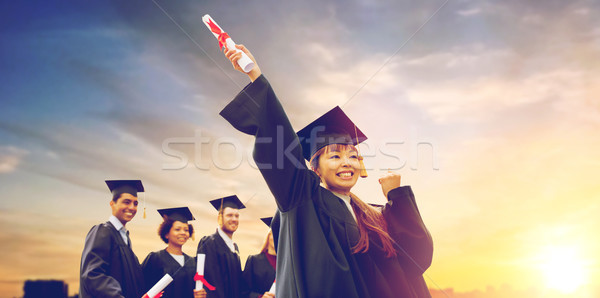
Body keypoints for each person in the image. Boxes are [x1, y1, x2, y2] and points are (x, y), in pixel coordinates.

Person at [219, 45, 434, 298]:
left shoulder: (373, 213)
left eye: (353, 156)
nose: (347, 162)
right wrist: (255, 75)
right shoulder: (302, 201)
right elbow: (280, 149)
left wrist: (397, 198)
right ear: (315, 168)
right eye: (335, 156)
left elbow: (417, 259)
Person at [80, 180, 146, 298]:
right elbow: (93, 275)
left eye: (135, 203)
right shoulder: (103, 231)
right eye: (126, 202)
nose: (132, 207)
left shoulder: (125, 239)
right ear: (112, 203)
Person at [142, 207, 207, 298]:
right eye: (177, 229)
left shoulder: (193, 262)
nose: (183, 233)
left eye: (186, 230)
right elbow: (142, 287)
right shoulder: (155, 258)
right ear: (166, 234)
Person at [196, 195, 248, 298]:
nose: (234, 219)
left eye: (236, 216)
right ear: (219, 218)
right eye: (229, 215)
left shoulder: (235, 247)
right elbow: (212, 284)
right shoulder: (209, 243)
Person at [243, 217, 276, 298]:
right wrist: (260, 297)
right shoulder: (254, 261)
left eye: (280, 234)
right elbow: (243, 292)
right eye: (274, 233)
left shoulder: (288, 265)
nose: (277, 237)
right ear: (268, 236)